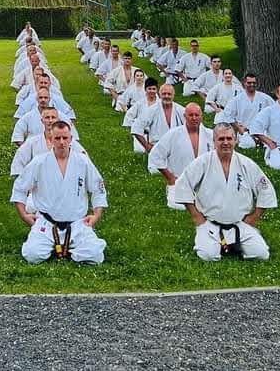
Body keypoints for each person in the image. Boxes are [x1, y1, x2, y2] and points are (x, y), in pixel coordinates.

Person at [172, 123, 277, 261]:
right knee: (208, 255)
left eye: (229, 138)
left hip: (240, 224)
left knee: (261, 254)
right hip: (210, 224)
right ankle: (217, 243)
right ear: (214, 141)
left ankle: (228, 244)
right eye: (221, 139)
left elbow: (265, 189)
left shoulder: (246, 164)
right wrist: (196, 216)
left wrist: (254, 217)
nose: (226, 142)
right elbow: (183, 185)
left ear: (235, 140)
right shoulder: (203, 162)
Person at [11, 122, 108, 264]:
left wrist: (96, 215)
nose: (62, 142)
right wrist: (24, 215)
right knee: (32, 255)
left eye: (65, 138)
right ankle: (63, 247)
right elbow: (19, 188)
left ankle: (64, 247)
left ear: (71, 139)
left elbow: (98, 189)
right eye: (57, 138)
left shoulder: (83, 161)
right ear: (50, 140)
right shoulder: (39, 162)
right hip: (46, 222)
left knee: (94, 255)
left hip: (77, 223)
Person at [148, 103, 214, 209]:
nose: (194, 118)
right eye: (191, 115)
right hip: (179, 182)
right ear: (184, 116)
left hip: (205, 183)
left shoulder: (211, 135)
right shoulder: (173, 134)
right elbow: (155, 155)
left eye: (197, 115)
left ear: (201, 116)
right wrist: (170, 177)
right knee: (179, 206)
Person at [11, 106, 88, 177]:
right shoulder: (32, 142)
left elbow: (84, 161)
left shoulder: (70, 142)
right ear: (42, 120)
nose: (50, 120)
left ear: (58, 120)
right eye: (47, 117)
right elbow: (18, 163)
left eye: (53, 117)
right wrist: (24, 181)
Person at [218, 72, 273, 149]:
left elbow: (274, 111)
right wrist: (238, 127)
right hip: (245, 131)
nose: (252, 85)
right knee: (248, 144)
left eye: (254, 83)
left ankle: (260, 141)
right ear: (244, 83)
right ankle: (249, 140)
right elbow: (227, 115)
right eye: (249, 83)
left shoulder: (265, 98)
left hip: (262, 130)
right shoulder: (237, 99)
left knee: (272, 142)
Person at [132, 83, 185, 153]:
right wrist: (147, 147)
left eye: (169, 94)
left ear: (173, 95)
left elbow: (194, 127)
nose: (166, 96)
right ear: (159, 95)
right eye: (164, 94)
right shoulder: (152, 110)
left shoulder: (181, 110)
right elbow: (136, 127)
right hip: (157, 147)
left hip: (177, 147)